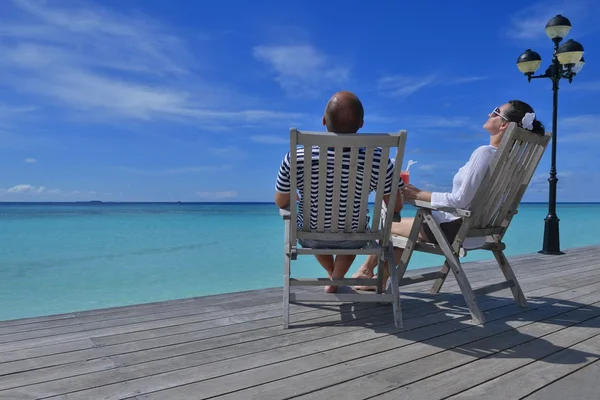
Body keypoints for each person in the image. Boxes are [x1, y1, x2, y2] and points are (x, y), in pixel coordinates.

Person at [353, 100, 545, 291]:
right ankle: (378, 277)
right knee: (403, 230)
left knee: (389, 227)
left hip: (455, 231)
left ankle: (365, 272)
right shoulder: (514, 164)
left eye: (496, 112)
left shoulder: (484, 153)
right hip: (482, 233)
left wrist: (419, 194)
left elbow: (460, 200)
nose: (489, 114)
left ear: (504, 125)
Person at [274, 91, 404, 293]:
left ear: (324, 121)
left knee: (318, 234)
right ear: (361, 124)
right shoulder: (380, 160)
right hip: (356, 235)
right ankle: (336, 278)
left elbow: (281, 201)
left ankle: (333, 276)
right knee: (352, 233)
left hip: (311, 235)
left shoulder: (296, 157)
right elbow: (395, 206)